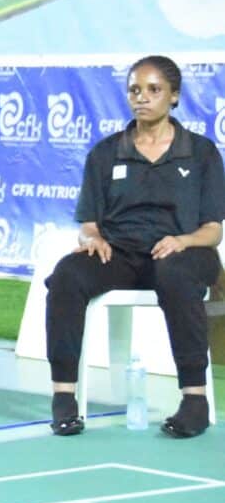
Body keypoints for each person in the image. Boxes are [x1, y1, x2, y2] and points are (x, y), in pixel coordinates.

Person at [46, 55, 224, 439]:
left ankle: (194, 400)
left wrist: (183, 241)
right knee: (66, 275)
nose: (141, 97)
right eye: (134, 90)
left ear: (174, 96)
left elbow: (213, 231)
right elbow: (89, 225)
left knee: (175, 272)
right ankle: (63, 398)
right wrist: (92, 240)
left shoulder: (201, 152)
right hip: (122, 255)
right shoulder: (106, 153)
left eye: (153, 89)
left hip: (185, 253)